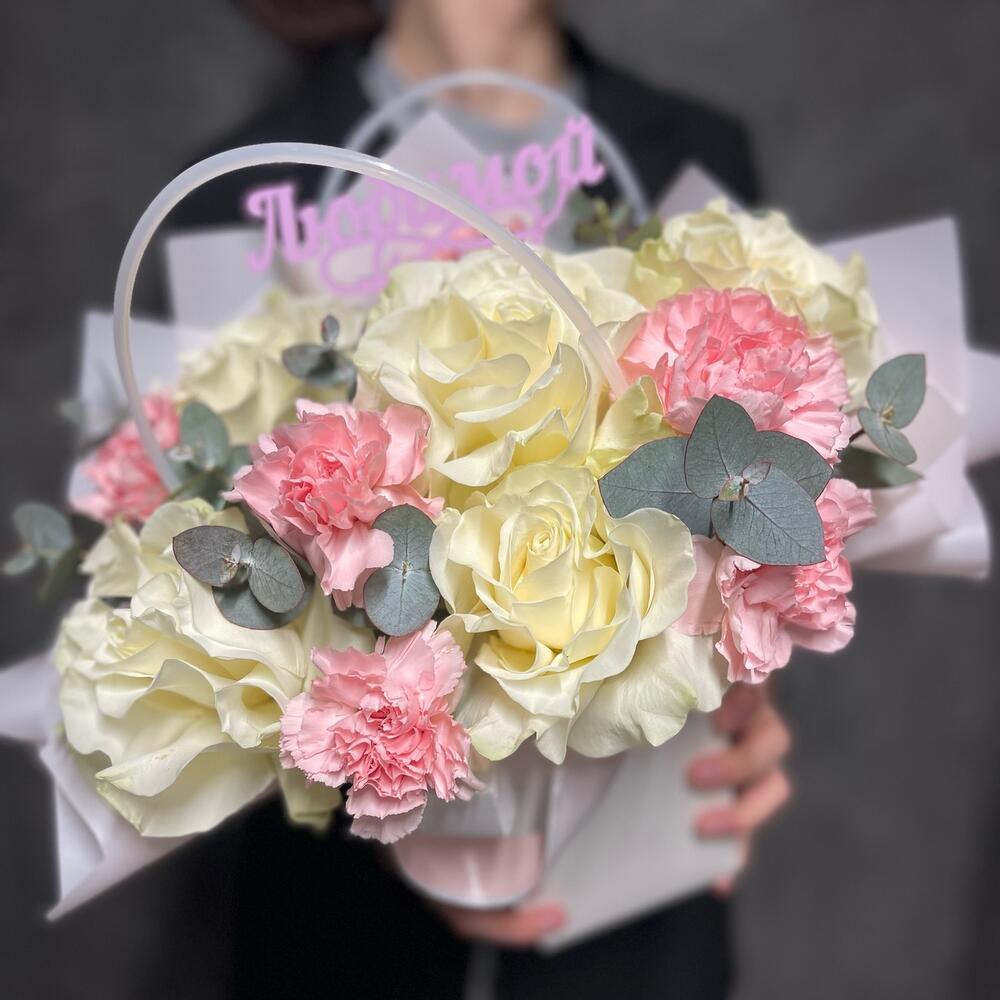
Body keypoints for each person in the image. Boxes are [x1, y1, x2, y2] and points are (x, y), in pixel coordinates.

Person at [171, 2, 789, 997]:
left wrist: (747, 690)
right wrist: (372, 785)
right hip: (345, 944)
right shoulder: (245, 181)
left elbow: (745, 500)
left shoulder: (694, 154)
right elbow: (189, 600)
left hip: (635, 919)